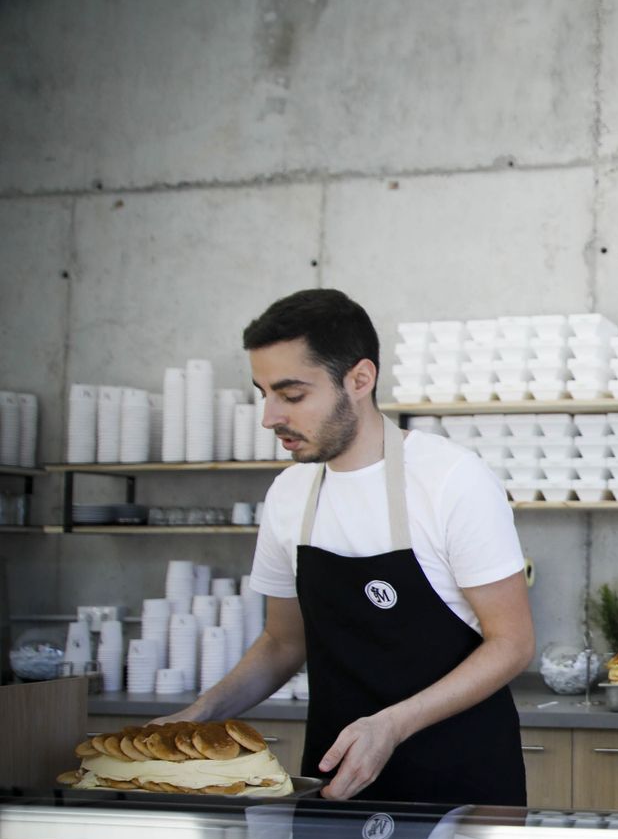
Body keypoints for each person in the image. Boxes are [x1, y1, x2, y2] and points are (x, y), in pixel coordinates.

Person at [157, 289, 534, 804]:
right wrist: (194, 718)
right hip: (334, 779)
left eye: (291, 395)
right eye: (262, 393)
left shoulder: (452, 481)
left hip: (461, 784)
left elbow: (512, 644)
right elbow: (282, 643)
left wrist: (392, 726)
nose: (269, 417)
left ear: (360, 379)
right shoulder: (290, 494)